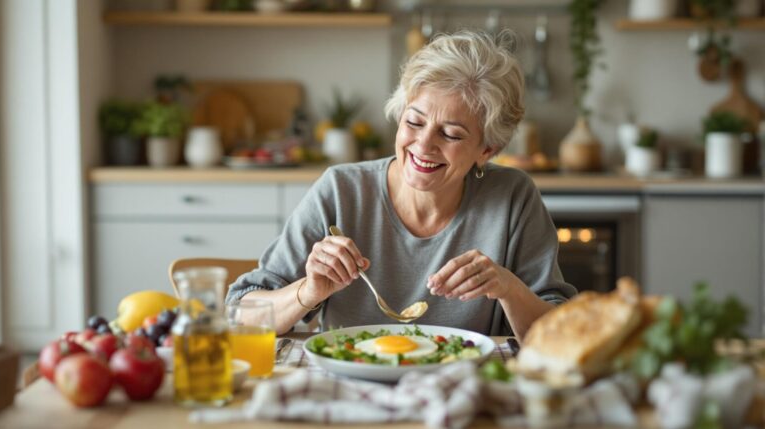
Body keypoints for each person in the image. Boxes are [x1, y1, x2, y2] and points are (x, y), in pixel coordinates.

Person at [227, 30, 577, 339]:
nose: (423, 145)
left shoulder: (513, 197)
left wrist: (509, 289)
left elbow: (562, 336)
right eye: (414, 121)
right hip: (351, 388)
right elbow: (239, 314)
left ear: (487, 150)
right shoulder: (340, 190)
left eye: (451, 134)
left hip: (462, 393)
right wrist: (308, 290)